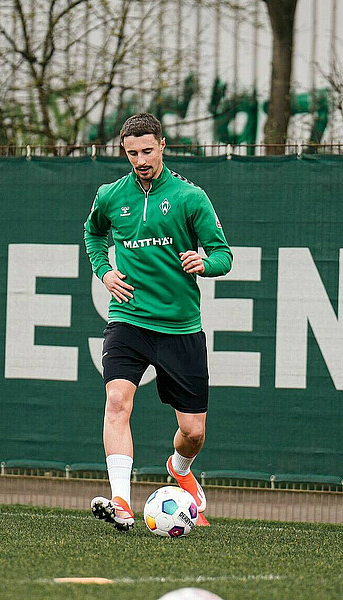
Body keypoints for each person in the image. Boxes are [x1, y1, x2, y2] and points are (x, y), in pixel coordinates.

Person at [83, 113, 232, 531]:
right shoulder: (111, 195)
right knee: (117, 402)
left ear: (163, 145)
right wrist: (104, 271)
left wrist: (204, 263)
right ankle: (121, 502)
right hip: (128, 320)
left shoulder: (190, 198)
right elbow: (93, 234)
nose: (140, 159)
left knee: (194, 432)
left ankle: (179, 466)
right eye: (132, 153)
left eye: (147, 150)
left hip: (180, 328)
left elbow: (224, 255)